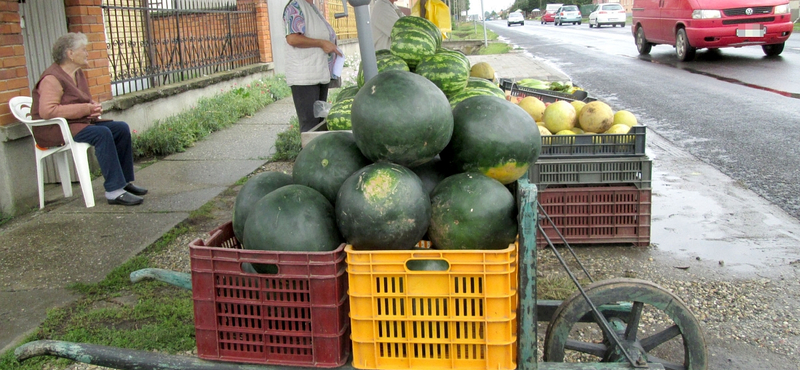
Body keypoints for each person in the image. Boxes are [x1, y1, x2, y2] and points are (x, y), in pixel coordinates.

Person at [31, 33, 147, 206]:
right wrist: (85, 109)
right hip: (54, 129)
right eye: (83, 50)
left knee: (121, 128)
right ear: (70, 53)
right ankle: (113, 191)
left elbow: (79, 99)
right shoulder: (51, 78)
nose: (87, 53)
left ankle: (123, 182)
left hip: (76, 123)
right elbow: (48, 111)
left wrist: (92, 107)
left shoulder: (77, 74)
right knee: (102, 133)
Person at [283, 0, 343, 133]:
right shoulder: (295, 6)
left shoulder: (312, 6)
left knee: (319, 125)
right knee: (310, 127)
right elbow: (292, 38)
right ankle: (309, 153)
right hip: (305, 78)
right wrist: (322, 43)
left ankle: (317, 153)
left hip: (318, 74)